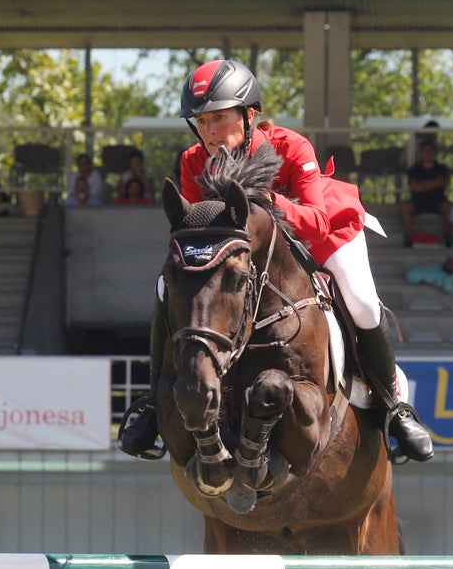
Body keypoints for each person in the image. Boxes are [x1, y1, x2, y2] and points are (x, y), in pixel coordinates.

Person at [118, 58, 432, 464]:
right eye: (201, 121)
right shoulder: (194, 160)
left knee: (362, 301)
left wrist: (271, 205)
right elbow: (202, 234)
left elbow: (317, 223)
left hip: (323, 232)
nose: (209, 131)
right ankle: (152, 400)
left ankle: (393, 407)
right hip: (251, 251)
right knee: (166, 287)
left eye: (219, 118)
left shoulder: (290, 146)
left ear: (250, 115)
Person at [401, 140, 450, 244]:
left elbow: (440, 183)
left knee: (449, 207)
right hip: (418, 203)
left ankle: (447, 237)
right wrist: (432, 184)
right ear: (421, 153)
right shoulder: (414, 169)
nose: (427, 153)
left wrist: (422, 184)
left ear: (434, 153)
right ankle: (412, 238)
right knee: (404, 206)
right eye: (424, 151)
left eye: (429, 151)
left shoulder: (441, 168)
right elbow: (412, 187)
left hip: (437, 202)